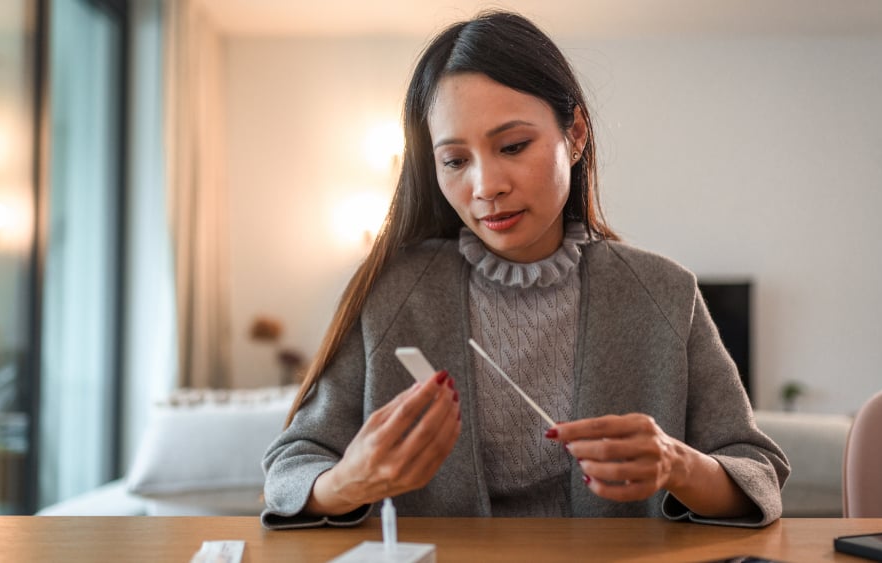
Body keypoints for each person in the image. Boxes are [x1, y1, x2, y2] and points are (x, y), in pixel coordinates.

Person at [261, 10, 789, 530]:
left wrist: (679, 465)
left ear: (576, 134)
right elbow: (293, 465)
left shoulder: (664, 293)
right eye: (455, 161)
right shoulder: (392, 292)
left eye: (513, 146)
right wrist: (348, 482)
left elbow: (756, 472)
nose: (486, 185)